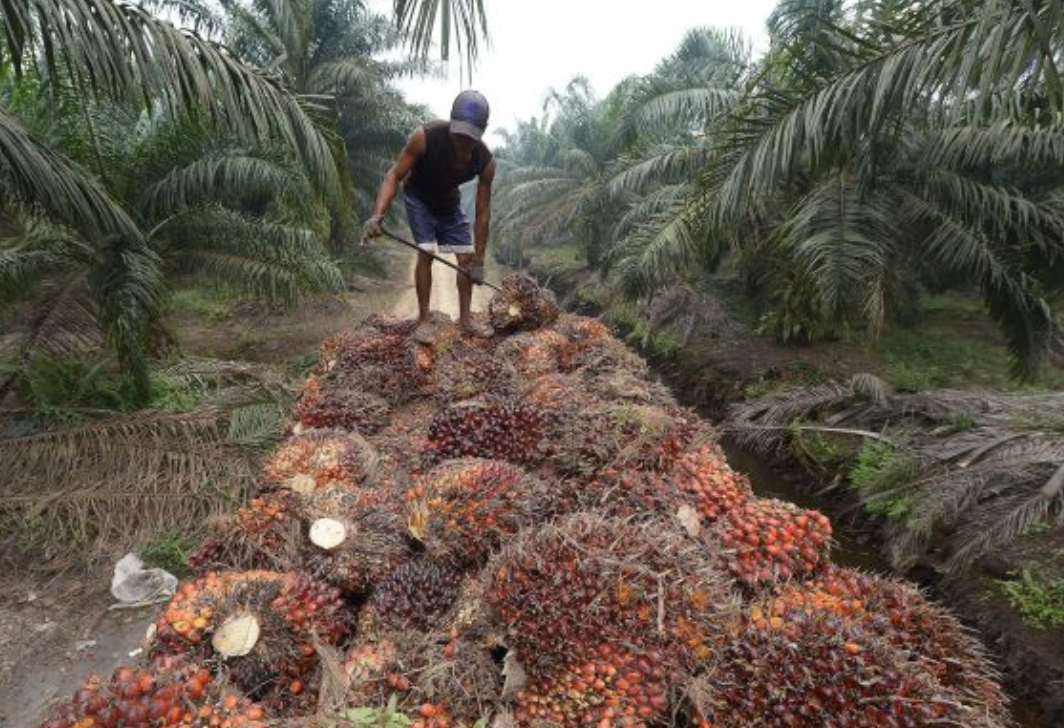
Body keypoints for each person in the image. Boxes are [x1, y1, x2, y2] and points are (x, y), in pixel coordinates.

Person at [362, 89, 496, 344]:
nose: (462, 142)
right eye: (458, 135)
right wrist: (377, 216)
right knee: (426, 251)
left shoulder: (485, 162)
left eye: (469, 138)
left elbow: (482, 213)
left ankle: (466, 321)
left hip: (448, 202)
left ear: (481, 133)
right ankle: (424, 321)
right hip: (419, 198)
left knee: (465, 258)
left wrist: (479, 260)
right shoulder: (424, 138)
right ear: (451, 124)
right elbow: (394, 176)